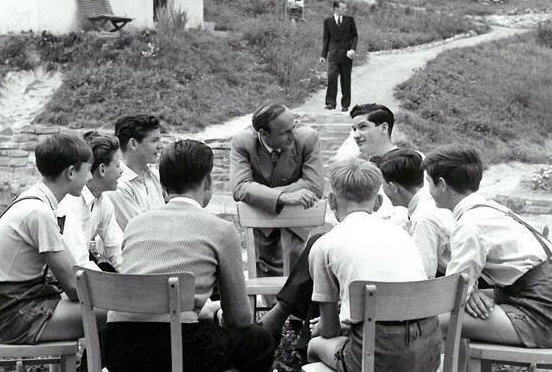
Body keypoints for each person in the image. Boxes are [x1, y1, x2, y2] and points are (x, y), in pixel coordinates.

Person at [104, 140, 275, 372]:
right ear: (207, 181)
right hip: (180, 346)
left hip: (120, 347)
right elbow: (240, 319)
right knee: (258, 340)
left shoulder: (135, 225)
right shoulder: (221, 229)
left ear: (163, 184)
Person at [425, 145, 552, 348]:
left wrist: (465, 293)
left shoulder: (469, 225)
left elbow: (452, 292)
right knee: (462, 306)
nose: (428, 192)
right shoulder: (490, 208)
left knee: (433, 321)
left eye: (428, 183)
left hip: (542, 319)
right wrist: (470, 292)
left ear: (441, 184)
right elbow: (462, 285)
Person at [306, 158, 441, 371]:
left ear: (331, 201)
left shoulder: (324, 245)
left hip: (375, 358)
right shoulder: (403, 235)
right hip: (429, 351)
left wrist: (323, 326)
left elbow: (329, 330)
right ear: (378, 202)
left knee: (315, 345)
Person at [0, 133, 103, 344]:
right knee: (119, 315)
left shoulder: (37, 200)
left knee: (115, 309)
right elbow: (73, 286)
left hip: (19, 305)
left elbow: (71, 269)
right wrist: (118, 295)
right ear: (71, 172)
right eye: (88, 170)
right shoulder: (39, 213)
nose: (90, 178)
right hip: (16, 316)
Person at [230, 103, 324, 278]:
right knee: (263, 276)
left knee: (298, 280)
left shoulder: (308, 138)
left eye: (293, 127)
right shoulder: (242, 142)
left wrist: (261, 194)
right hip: (261, 223)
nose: (292, 135)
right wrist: (283, 197)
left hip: (297, 223)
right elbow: (239, 187)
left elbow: (315, 186)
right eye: (285, 132)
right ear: (263, 134)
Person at [372, 148, 454, 278]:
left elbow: (424, 274)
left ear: (393, 188)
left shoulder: (423, 218)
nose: (382, 189)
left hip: (450, 283)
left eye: (383, 185)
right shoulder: (429, 201)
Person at [58, 131, 124, 272]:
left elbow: (117, 248)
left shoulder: (103, 202)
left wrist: (137, 279)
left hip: (81, 271)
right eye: (118, 165)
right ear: (102, 169)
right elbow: (77, 261)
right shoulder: (71, 202)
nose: (121, 171)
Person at [107, 114, 165, 230]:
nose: (161, 146)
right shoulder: (118, 185)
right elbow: (141, 232)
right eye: (154, 140)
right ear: (133, 144)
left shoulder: (154, 175)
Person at [319, 1, 358, 111]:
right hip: (333, 54)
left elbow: (355, 36)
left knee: (346, 80)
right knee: (331, 78)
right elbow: (326, 39)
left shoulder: (349, 20)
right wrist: (323, 55)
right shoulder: (328, 21)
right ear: (336, 9)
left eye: (345, 8)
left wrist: (353, 49)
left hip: (346, 55)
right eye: (342, 8)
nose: (345, 10)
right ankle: (330, 103)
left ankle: (345, 105)